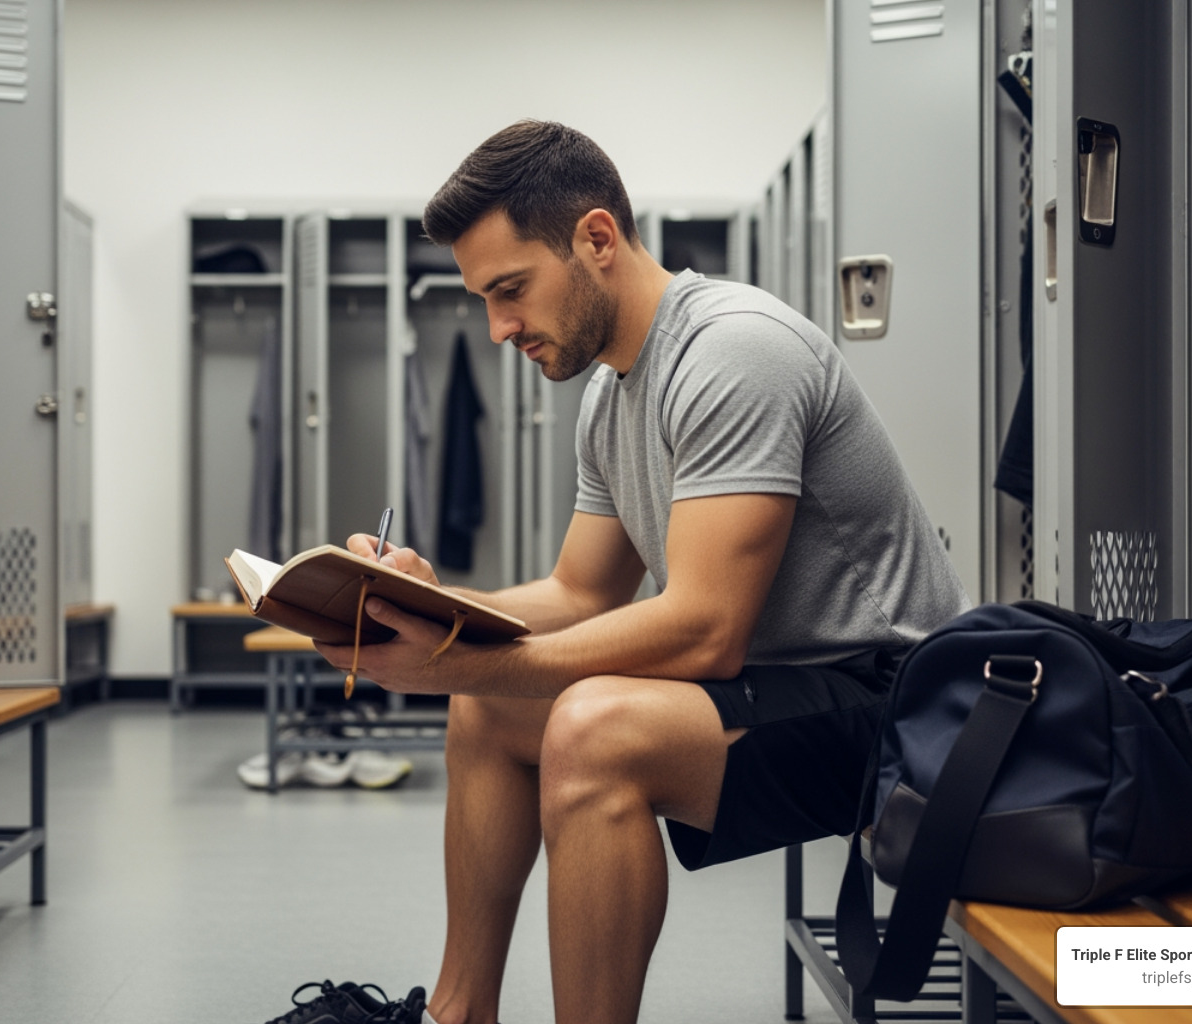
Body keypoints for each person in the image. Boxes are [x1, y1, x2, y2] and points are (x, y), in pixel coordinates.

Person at [258, 120, 970, 1024]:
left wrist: (459, 661)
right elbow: (579, 593)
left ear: (596, 239)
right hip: (786, 685)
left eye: (510, 290)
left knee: (592, 729)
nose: (498, 328)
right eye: (484, 298)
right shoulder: (611, 390)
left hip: (899, 712)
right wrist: (428, 604)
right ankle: (456, 1013)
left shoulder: (732, 351)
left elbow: (706, 631)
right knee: (493, 710)